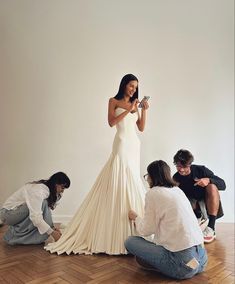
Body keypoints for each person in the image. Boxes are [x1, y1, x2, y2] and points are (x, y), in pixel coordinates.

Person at [45, 74, 149, 255]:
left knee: (131, 181)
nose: (133, 89)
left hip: (134, 145)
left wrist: (143, 110)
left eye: (135, 87)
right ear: (124, 85)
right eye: (130, 85)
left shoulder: (136, 103)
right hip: (122, 143)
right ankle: (112, 233)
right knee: (117, 179)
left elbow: (141, 128)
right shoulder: (113, 101)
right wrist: (129, 109)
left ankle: (134, 231)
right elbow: (111, 122)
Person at [125, 160, 207, 280]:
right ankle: (161, 264)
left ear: (152, 177)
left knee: (130, 241)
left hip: (182, 265)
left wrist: (135, 217)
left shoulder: (153, 193)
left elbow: (146, 230)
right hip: (201, 259)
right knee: (151, 249)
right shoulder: (177, 191)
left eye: (147, 176)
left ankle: (164, 266)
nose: (147, 179)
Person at [0, 172, 70, 245]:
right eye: (62, 187)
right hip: (7, 214)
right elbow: (35, 217)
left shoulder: (45, 190)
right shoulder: (39, 191)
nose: (62, 191)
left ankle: (16, 235)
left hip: (13, 212)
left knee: (42, 207)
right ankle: (13, 237)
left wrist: (52, 229)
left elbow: (45, 212)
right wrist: (52, 232)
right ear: (56, 184)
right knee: (40, 208)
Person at [173, 149, 226, 243]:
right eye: (178, 166)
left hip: (207, 202)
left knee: (212, 186)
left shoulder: (201, 170)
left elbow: (223, 184)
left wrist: (208, 180)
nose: (181, 169)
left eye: (184, 166)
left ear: (189, 164)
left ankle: (211, 227)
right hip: (192, 207)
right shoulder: (176, 177)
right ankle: (198, 218)